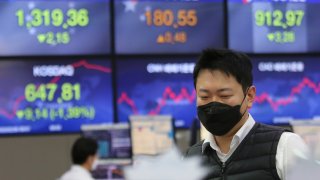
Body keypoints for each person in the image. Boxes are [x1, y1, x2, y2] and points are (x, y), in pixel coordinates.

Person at [185, 49, 310, 179]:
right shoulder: (191, 157)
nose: (214, 104)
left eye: (225, 95)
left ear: (249, 96)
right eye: (204, 96)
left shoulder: (285, 146)